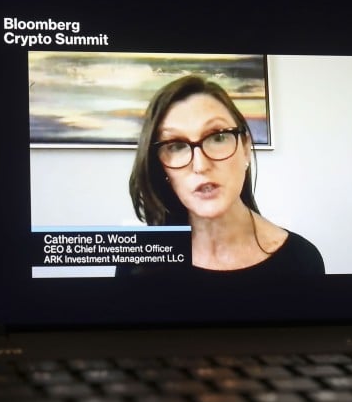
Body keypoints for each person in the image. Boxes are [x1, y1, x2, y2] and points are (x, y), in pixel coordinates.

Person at [128, 75, 324, 278]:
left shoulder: (301, 260)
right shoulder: (139, 261)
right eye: (176, 146)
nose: (201, 165)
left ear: (246, 148)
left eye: (218, 137)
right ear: (160, 167)